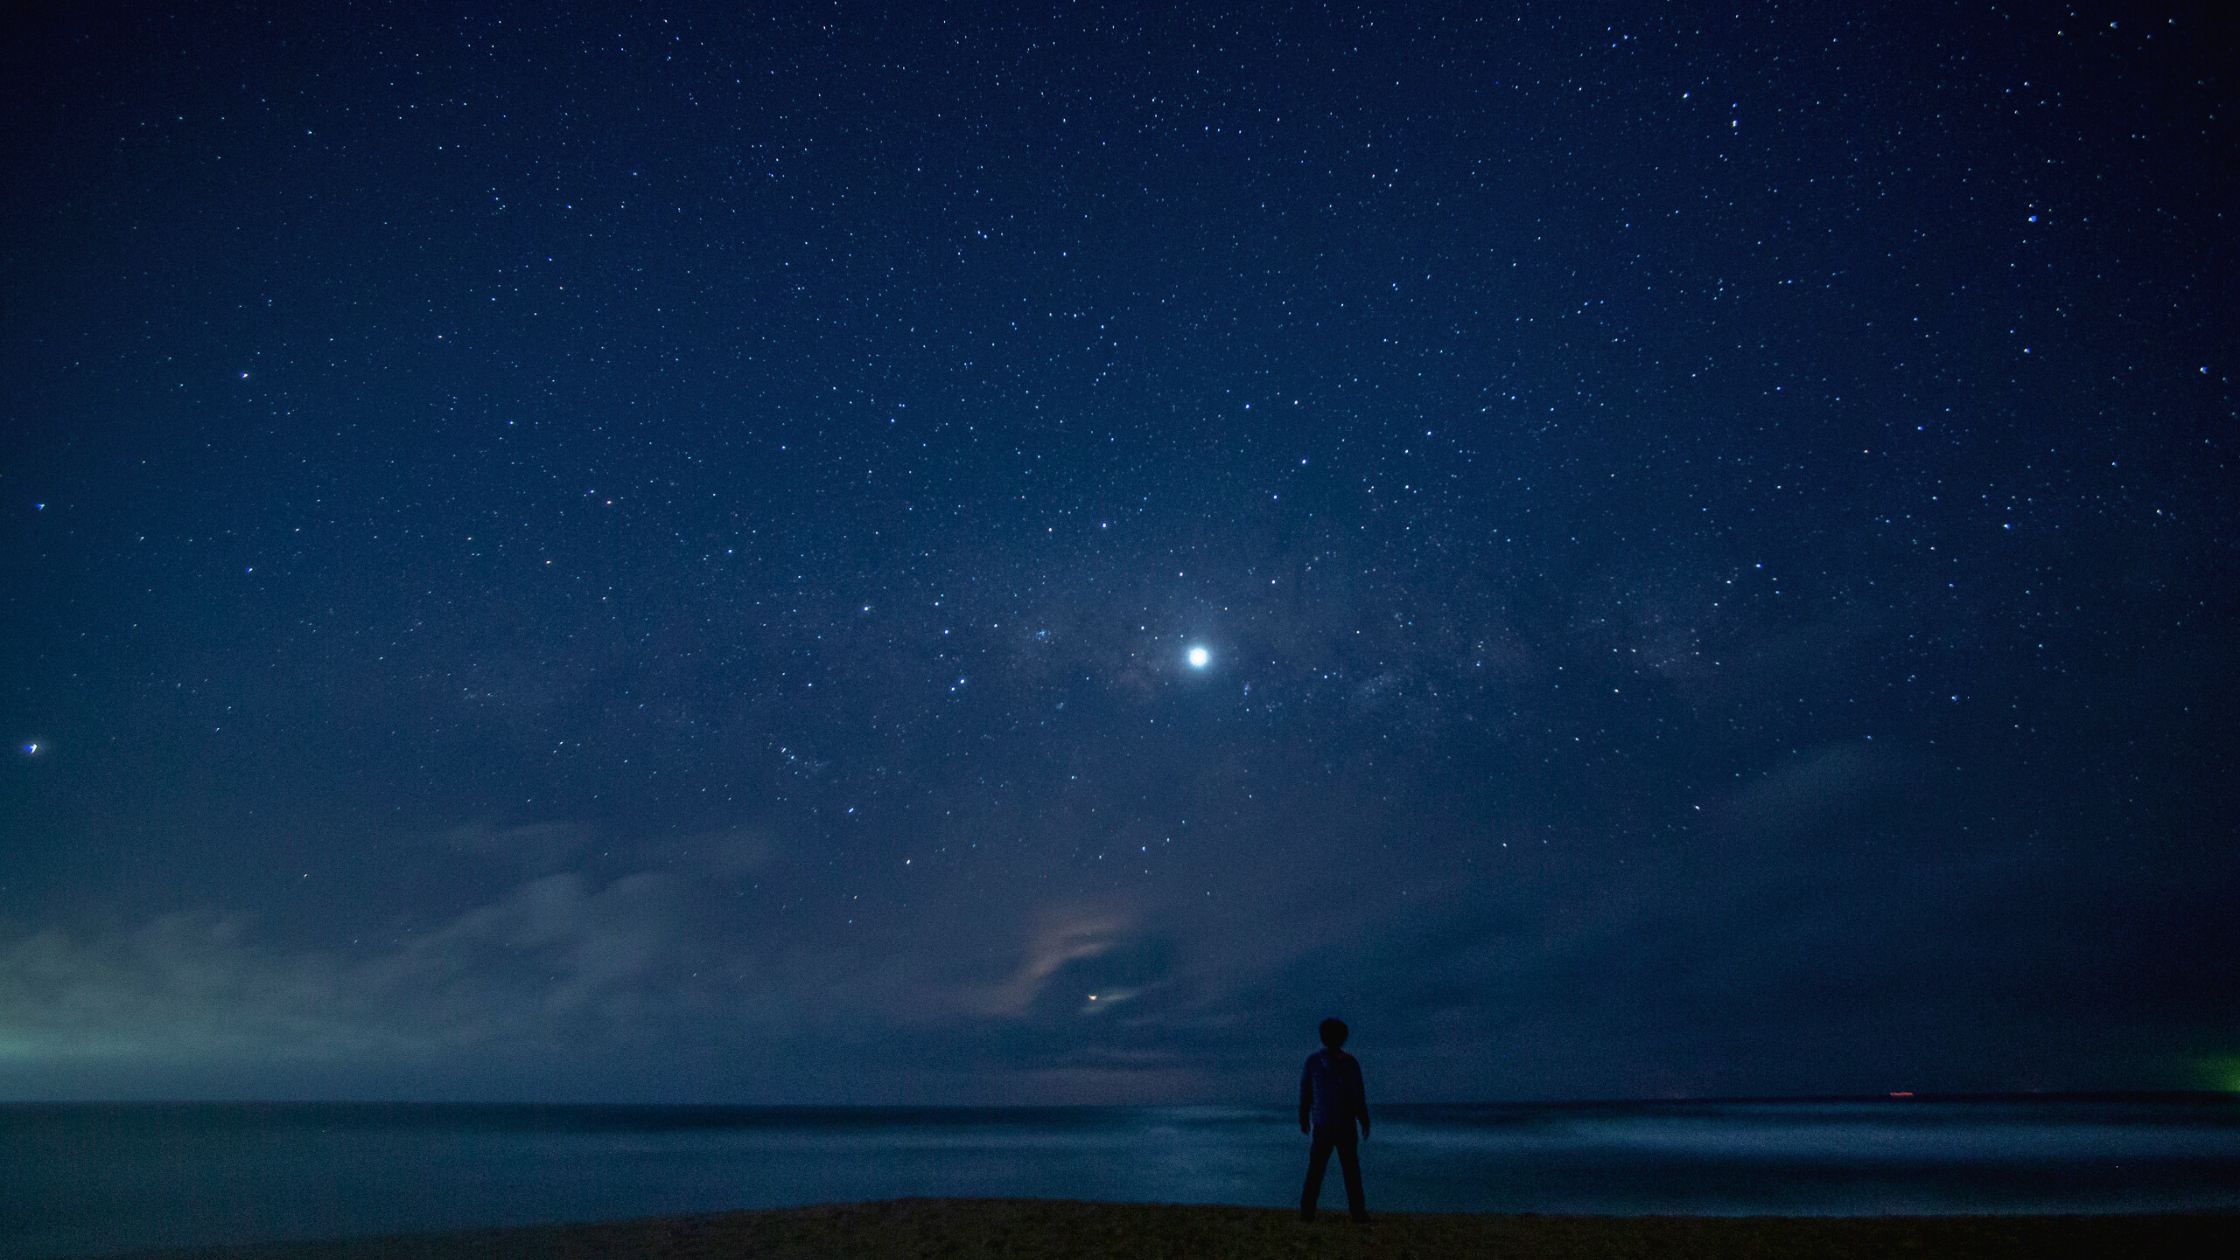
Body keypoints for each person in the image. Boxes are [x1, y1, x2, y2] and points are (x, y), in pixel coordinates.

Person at [1298, 1016, 1369, 1223]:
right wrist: (1363, 1118)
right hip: (1343, 1123)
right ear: (1343, 1037)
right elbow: (1358, 1094)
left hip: (1323, 1122)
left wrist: (1303, 1117)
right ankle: (1357, 1212)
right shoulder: (1349, 1063)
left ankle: (1307, 1211)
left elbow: (1306, 1092)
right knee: (1350, 1170)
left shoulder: (1313, 1061)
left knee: (1317, 1169)